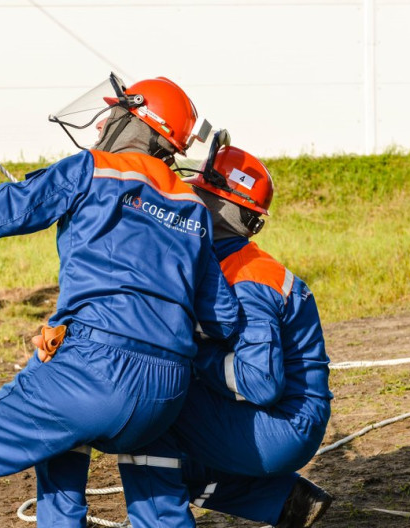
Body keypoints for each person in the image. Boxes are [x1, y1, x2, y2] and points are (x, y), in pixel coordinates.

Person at [0, 74, 241, 527]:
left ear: (134, 120)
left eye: (113, 115)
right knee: (90, 455)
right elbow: (222, 318)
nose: (102, 126)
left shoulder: (89, 168)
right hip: (165, 394)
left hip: (92, 372)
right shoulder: (193, 207)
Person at [34, 142, 334, 528]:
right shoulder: (230, 262)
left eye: (197, 192)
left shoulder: (247, 278)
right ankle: (283, 501)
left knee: (151, 409)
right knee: (168, 440)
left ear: (221, 206)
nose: (184, 198)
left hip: (281, 425)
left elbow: (260, 381)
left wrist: (186, 354)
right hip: (286, 420)